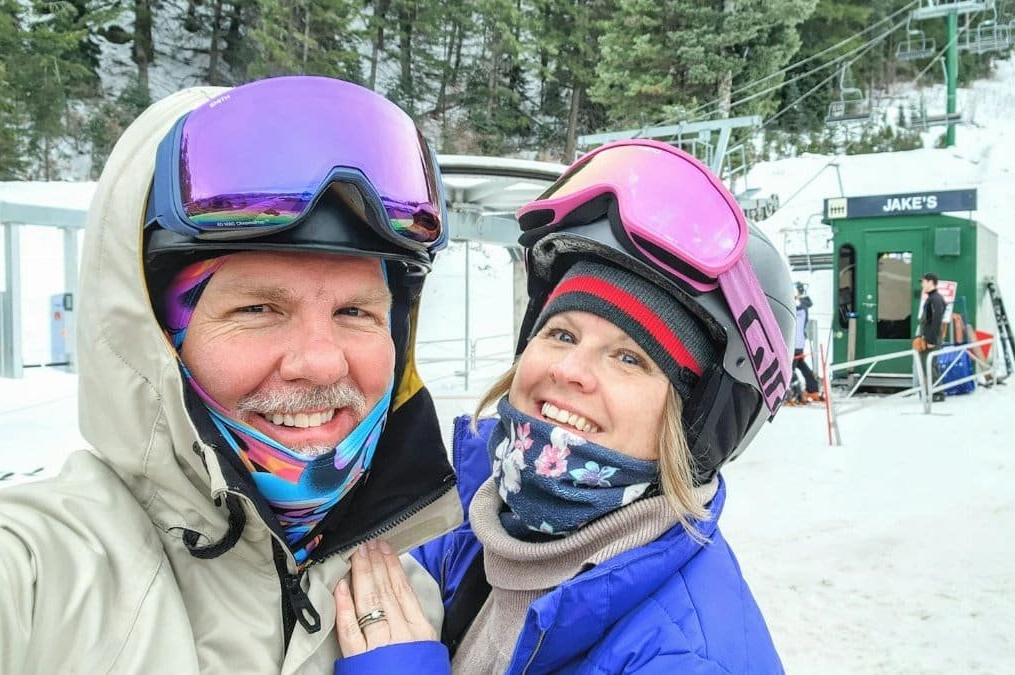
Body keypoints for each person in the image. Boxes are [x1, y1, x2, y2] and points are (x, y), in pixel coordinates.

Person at [0, 76, 465, 672]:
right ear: (157, 338)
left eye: (355, 312)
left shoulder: (403, 601)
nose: (321, 360)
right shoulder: (24, 584)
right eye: (258, 309)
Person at [331, 139, 794, 672]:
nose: (569, 370)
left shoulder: (688, 657)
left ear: (696, 425)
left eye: (628, 358)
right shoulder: (481, 526)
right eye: (562, 334)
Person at [919, 272, 948, 401]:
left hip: (932, 338)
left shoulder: (935, 299)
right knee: (930, 365)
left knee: (929, 365)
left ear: (930, 282)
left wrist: (930, 340)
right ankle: (933, 392)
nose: (922, 284)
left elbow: (936, 320)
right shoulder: (933, 298)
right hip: (931, 337)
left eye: (923, 281)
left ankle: (937, 394)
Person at [791, 281, 822, 403]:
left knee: (790, 370)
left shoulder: (799, 306)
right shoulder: (804, 305)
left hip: (794, 343)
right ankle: (813, 389)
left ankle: (795, 393)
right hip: (799, 343)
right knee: (801, 365)